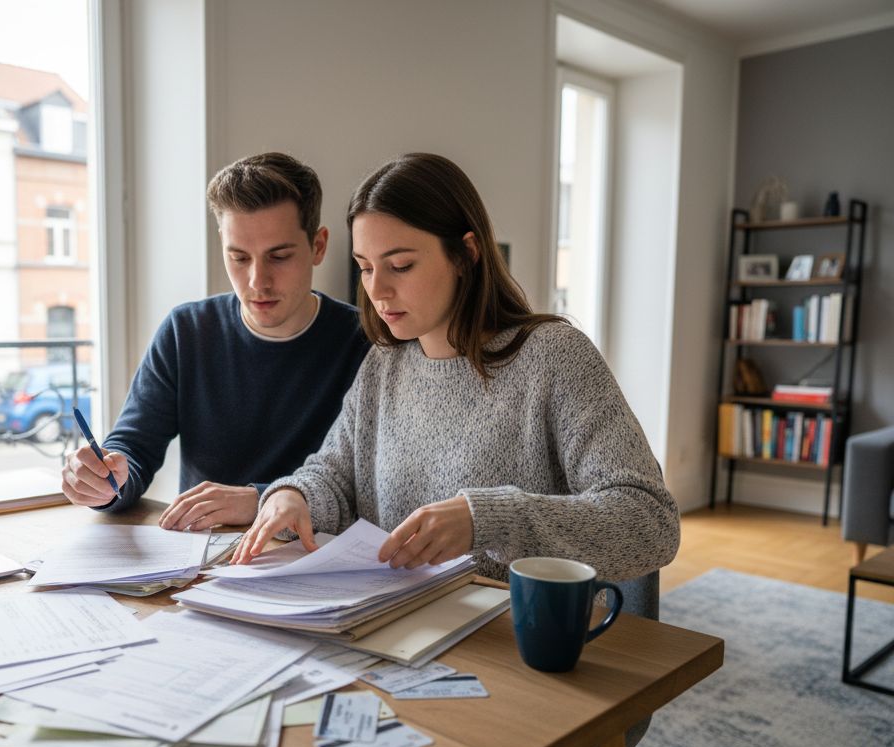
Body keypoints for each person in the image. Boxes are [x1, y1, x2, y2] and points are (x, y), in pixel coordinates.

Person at [233, 153, 679, 582]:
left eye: (401, 265)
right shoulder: (384, 365)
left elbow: (650, 523)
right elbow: (332, 476)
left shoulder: (554, 357)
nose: (377, 290)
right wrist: (295, 496)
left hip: (513, 640)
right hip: (400, 627)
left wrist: (488, 519)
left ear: (466, 254)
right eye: (365, 268)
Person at [61, 152, 370, 530]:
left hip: (312, 560)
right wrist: (106, 480)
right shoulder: (187, 331)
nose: (258, 281)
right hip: (198, 562)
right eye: (239, 257)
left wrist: (260, 499)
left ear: (318, 246)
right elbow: (133, 448)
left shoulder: (365, 342)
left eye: (279, 256)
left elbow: (366, 488)